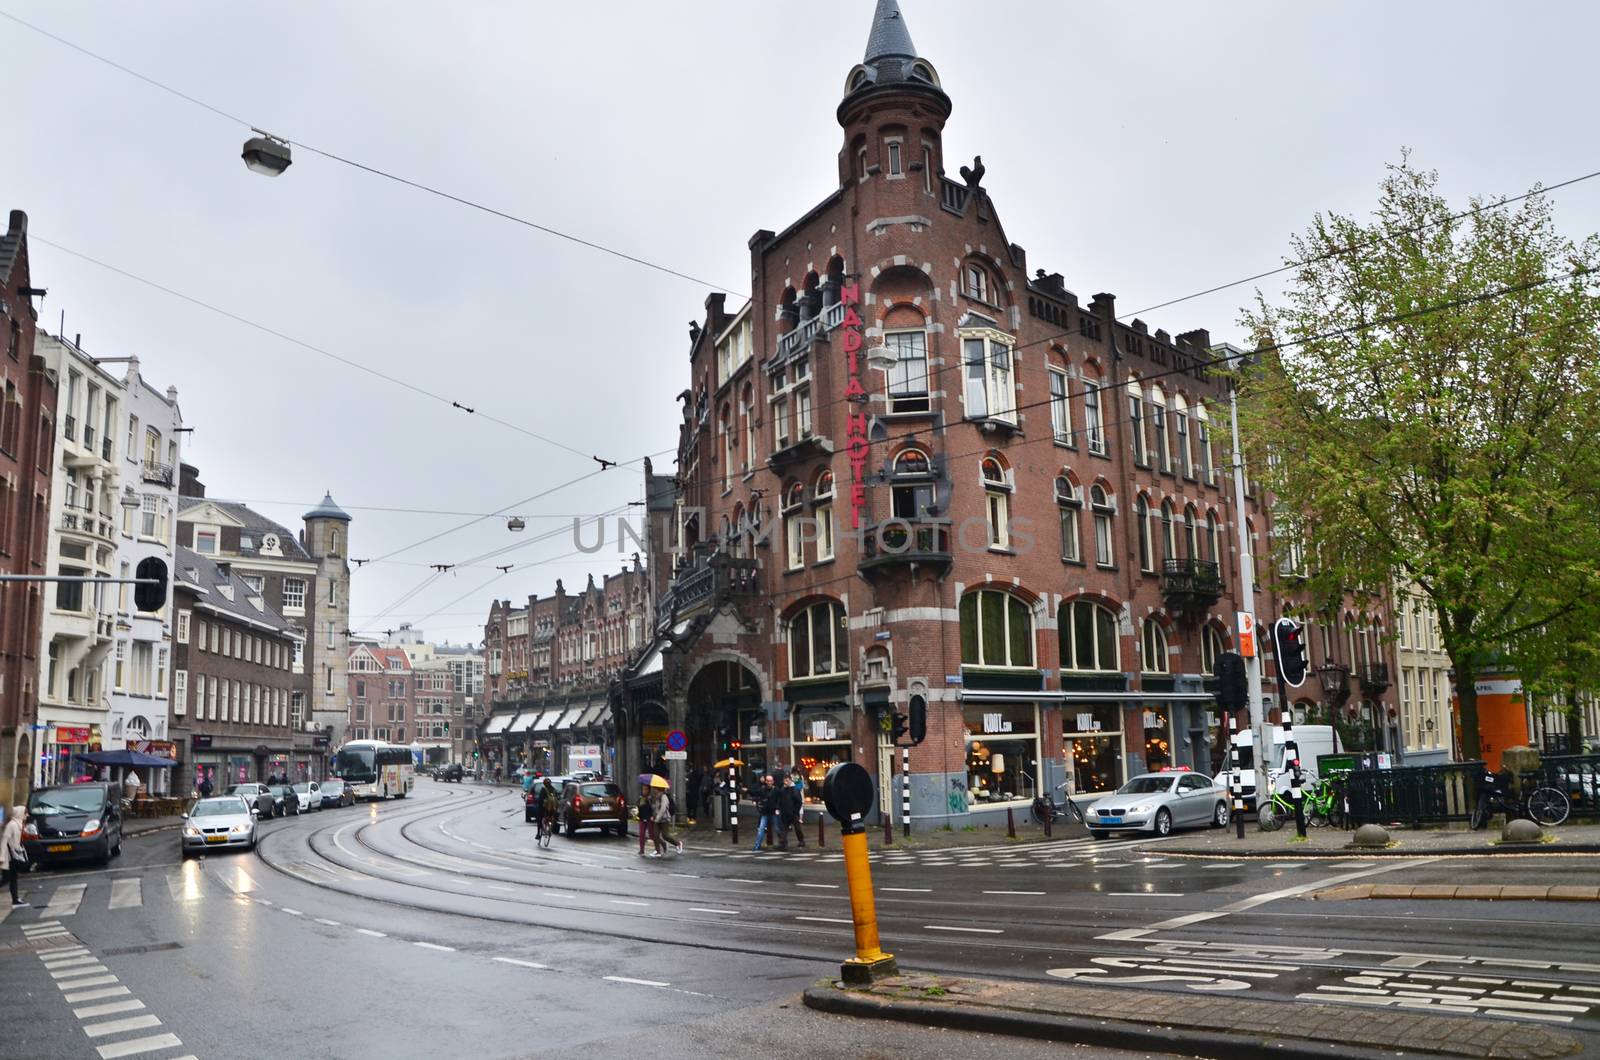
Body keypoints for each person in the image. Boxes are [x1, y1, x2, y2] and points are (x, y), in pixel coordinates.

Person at [2, 805, 27, 907]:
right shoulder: (12, 825)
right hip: (8, 856)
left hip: (13, 855)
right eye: (25, 813)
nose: (27, 815)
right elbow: (4, 840)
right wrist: (2, 857)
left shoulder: (19, 824)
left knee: (12, 877)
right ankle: (15, 899)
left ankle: (15, 899)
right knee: (7, 878)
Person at [751, 774, 781, 852]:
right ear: (766, 781)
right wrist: (747, 791)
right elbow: (755, 793)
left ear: (773, 781)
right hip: (765, 813)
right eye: (768, 781)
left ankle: (782, 843)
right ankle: (757, 845)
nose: (769, 782)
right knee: (761, 829)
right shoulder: (762, 789)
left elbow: (779, 800)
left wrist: (777, 808)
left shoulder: (776, 790)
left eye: (770, 781)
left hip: (773, 812)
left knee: (777, 829)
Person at [778, 773, 806, 850]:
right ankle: (783, 843)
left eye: (787, 780)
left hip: (793, 813)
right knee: (784, 829)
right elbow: (780, 800)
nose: (785, 782)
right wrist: (780, 808)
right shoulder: (782, 790)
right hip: (785, 813)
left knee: (797, 828)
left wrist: (795, 811)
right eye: (784, 781)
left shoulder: (795, 790)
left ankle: (801, 841)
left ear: (790, 780)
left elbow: (799, 802)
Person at [650, 787, 680, 857]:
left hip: (664, 819)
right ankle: (657, 851)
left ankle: (677, 843)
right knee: (655, 835)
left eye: (655, 789)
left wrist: (657, 818)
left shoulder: (664, 797)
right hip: (657, 819)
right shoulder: (655, 798)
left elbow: (663, 809)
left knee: (665, 835)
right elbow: (655, 808)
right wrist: (653, 816)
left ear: (659, 789)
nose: (654, 790)